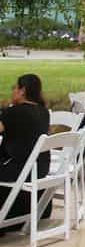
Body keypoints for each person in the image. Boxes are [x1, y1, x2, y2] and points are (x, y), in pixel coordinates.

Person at [0, 74, 50, 220]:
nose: (12, 91)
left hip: (20, 169)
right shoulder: (43, 112)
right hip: (40, 168)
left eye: (14, 88)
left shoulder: (14, 112)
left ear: (23, 91)